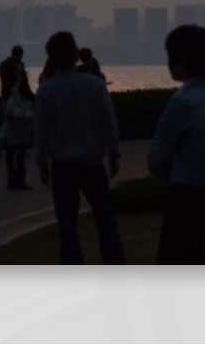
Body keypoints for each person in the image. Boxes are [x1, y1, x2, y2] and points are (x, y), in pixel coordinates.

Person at [149, 24, 205, 263]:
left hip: (188, 200)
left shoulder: (183, 102)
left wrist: (169, 175)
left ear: (182, 64)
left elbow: (156, 156)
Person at [34, 31, 125, 264]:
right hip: (93, 163)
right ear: (76, 54)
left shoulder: (47, 90)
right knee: (105, 220)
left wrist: (42, 163)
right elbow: (109, 123)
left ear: (51, 58)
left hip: (63, 166)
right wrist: (114, 154)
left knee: (67, 225)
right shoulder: (95, 85)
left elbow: (42, 133)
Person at [1, 72, 36, 190]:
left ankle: (12, 179)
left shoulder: (12, 97)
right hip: (23, 128)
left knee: (11, 152)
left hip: (13, 128)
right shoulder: (25, 97)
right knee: (20, 153)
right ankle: (20, 180)